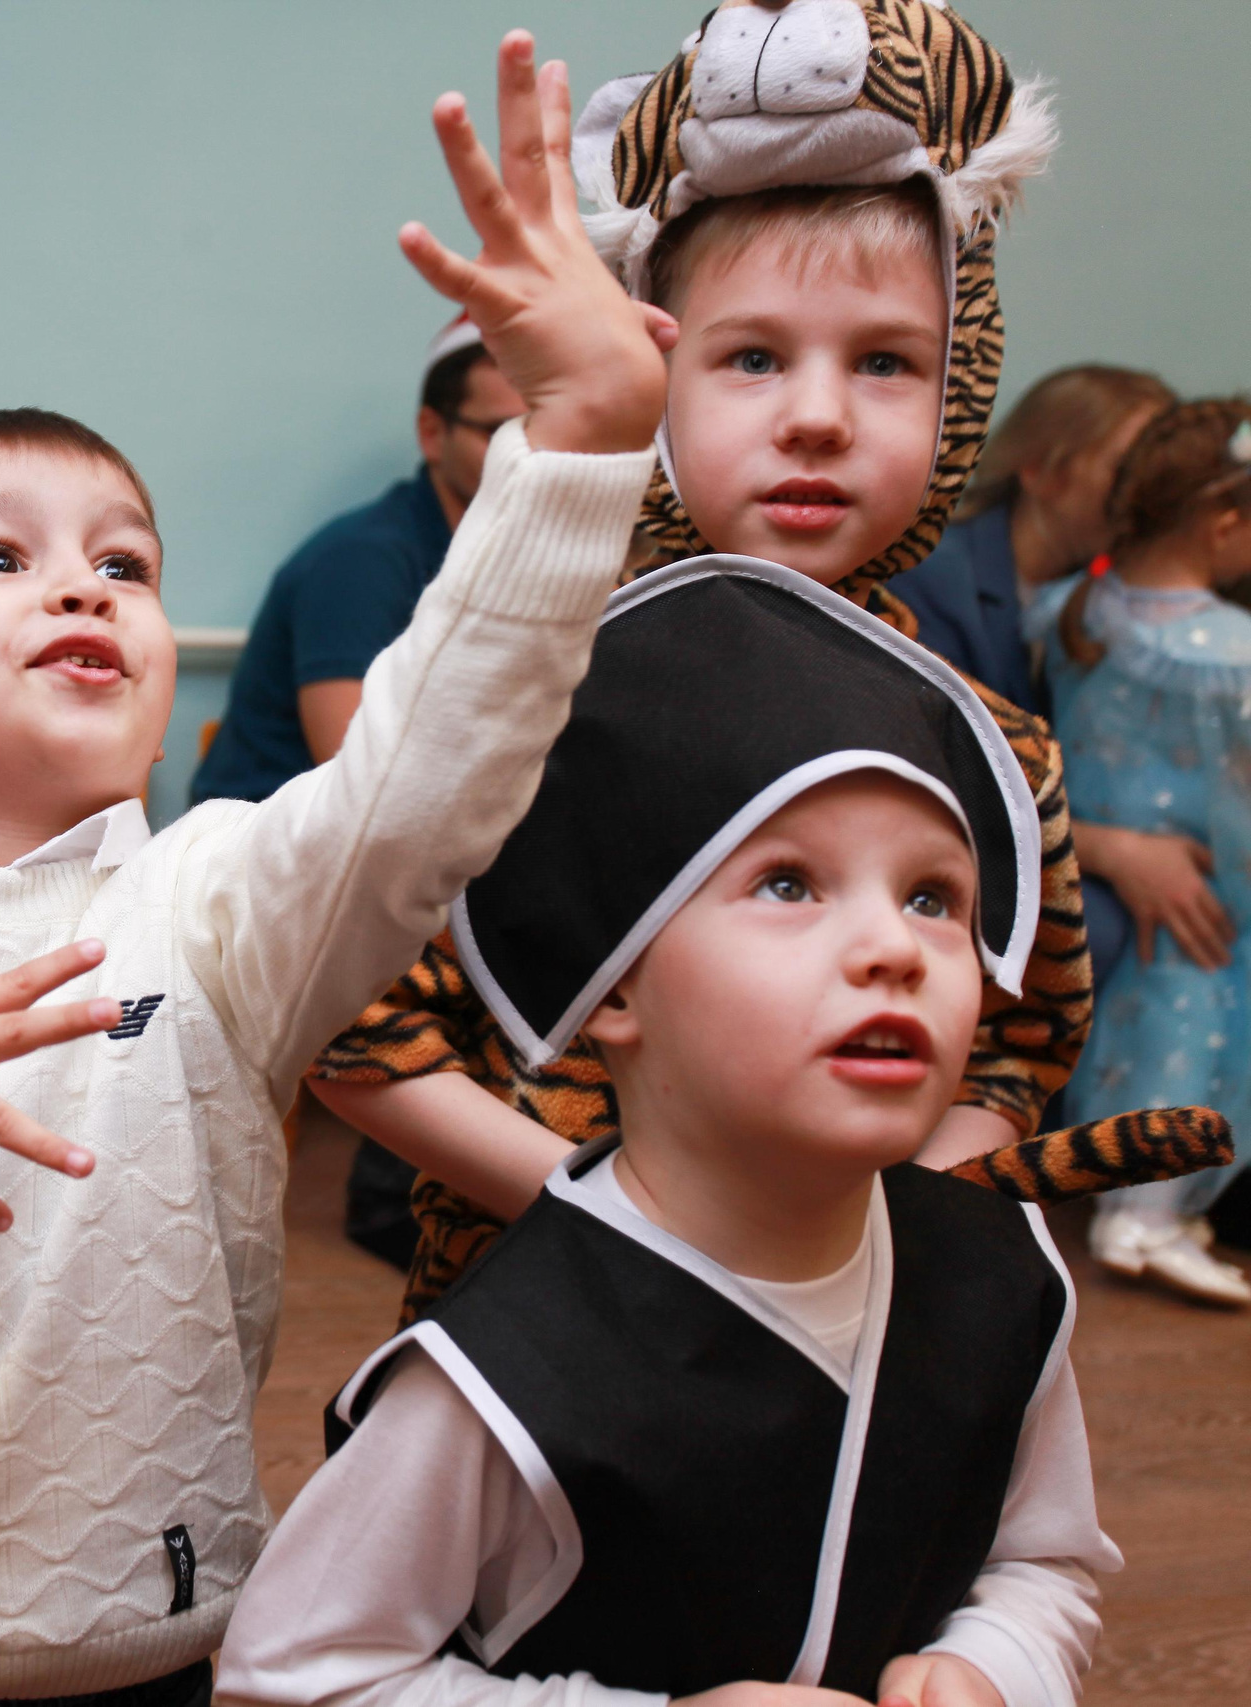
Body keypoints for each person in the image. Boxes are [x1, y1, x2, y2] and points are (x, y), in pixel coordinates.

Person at [0, 34, 672, 1705]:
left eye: (127, 563)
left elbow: (427, 774)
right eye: (1, 556)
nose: (83, 586)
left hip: (149, 1649)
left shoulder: (219, 898)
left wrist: (581, 438)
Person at [311, 0, 1130, 1326]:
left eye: (885, 364)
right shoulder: (528, 696)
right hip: (539, 1335)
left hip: (846, 1358)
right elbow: (357, 1036)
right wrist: (639, 1230)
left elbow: (1020, 1048)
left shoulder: (993, 743)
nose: (817, 414)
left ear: (959, 389)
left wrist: (860, 1240)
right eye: (751, 357)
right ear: (656, 368)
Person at [216, 560, 1115, 1707]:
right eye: (788, 885)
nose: (893, 946)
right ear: (612, 989)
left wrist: (992, 1666)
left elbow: (1042, 1559)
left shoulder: (1002, 1278)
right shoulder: (498, 1376)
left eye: (933, 897)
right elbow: (289, 1674)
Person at [1033, 399, 1251, 1306]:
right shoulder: (1232, 652)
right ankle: (1146, 1217)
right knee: (1195, 1039)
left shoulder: (1071, 607)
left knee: (1138, 1033)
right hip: (1206, 891)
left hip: (1094, 876)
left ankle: (1140, 1200)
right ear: (1225, 522)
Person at [887, 365, 1178, 985]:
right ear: (1042, 470)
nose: (1154, 495)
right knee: (1116, 936)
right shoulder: (933, 581)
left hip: (1034, 842)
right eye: (1129, 470)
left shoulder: (1105, 596)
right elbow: (940, 778)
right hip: (950, 850)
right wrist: (1115, 852)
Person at [190, 316, 522, 805]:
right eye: (502, 431)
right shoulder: (360, 561)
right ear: (432, 433)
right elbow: (361, 787)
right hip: (257, 864)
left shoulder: (496, 559)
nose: (528, 453)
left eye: (541, 428)